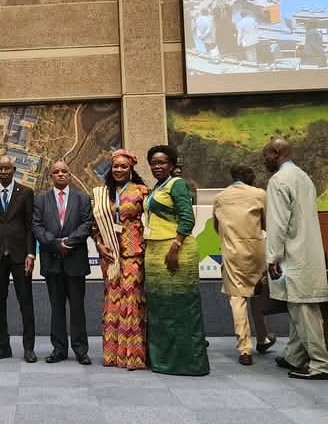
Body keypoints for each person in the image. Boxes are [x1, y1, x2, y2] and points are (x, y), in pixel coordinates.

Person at [263, 138, 328, 380]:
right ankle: (294, 356)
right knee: (299, 308)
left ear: (276, 152)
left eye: (266, 156)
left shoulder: (279, 180)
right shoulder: (303, 177)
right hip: (309, 252)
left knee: (304, 312)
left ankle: (321, 364)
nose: (264, 161)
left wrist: (272, 257)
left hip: (293, 254)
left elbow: (278, 223)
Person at [144, 145, 209, 376]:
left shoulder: (177, 184)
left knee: (180, 307)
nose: (157, 166)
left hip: (175, 250)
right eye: (153, 163)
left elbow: (187, 218)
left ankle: (188, 364)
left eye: (162, 162)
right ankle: (163, 360)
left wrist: (175, 247)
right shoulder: (157, 187)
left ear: (171, 165)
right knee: (162, 307)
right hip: (155, 251)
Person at [213, 163, 276, 365]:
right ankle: (263, 338)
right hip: (256, 251)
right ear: (250, 177)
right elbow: (268, 224)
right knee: (257, 294)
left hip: (232, 253)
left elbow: (216, 227)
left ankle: (244, 349)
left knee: (237, 298)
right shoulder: (259, 194)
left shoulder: (220, 197)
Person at [32, 160, 94, 365]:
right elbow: (36, 226)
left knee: (77, 308)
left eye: (64, 171)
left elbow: (87, 224)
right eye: (56, 172)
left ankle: (81, 350)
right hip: (52, 262)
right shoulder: (41, 200)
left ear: (69, 174)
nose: (60, 174)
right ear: (51, 176)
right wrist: (55, 243)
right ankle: (59, 349)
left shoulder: (82, 198)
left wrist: (69, 242)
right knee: (56, 308)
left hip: (75, 261)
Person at [92, 149, 149, 370]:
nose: (119, 170)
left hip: (134, 252)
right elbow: (95, 226)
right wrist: (99, 244)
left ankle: (133, 356)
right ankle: (113, 355)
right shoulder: (103, 193)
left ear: (131, 169)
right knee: (113, 301)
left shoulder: (141, 191)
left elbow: (150, 221)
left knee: (131, 300)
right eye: (116, 166)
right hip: (110, 255)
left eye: (124, 166)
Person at [0, 155, 37, 363]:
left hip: (21, 257)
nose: (3, 171)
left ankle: (29, 349)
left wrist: (31, 253)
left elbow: (30, 227)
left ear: (14, 170)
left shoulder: (26, 192)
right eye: (0, 168)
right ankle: (2, 347)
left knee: (26, 303)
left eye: (7, 168)